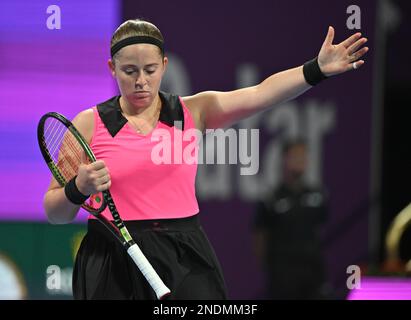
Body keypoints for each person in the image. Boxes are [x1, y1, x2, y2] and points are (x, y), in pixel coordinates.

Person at [42, 19, 368, 299]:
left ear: (164, 66)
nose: (141, 81)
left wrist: (316, 69)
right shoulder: (88, 123)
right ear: (112, 68)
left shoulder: (194, 110)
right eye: (129, 71)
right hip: (109, 257)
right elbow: (55, 212)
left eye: (150, 70)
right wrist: (78, 188)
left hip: (185, 255)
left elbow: (260, 94)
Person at [253, 139, 330, 299]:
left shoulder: (317, 195)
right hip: (283, 271)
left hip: (312, 269)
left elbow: (321, 227)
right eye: (295, 156)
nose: (300, 161)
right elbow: (260, 236)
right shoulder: (271, 198)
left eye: (303, 157)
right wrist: (270, 266)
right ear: (284, 160)